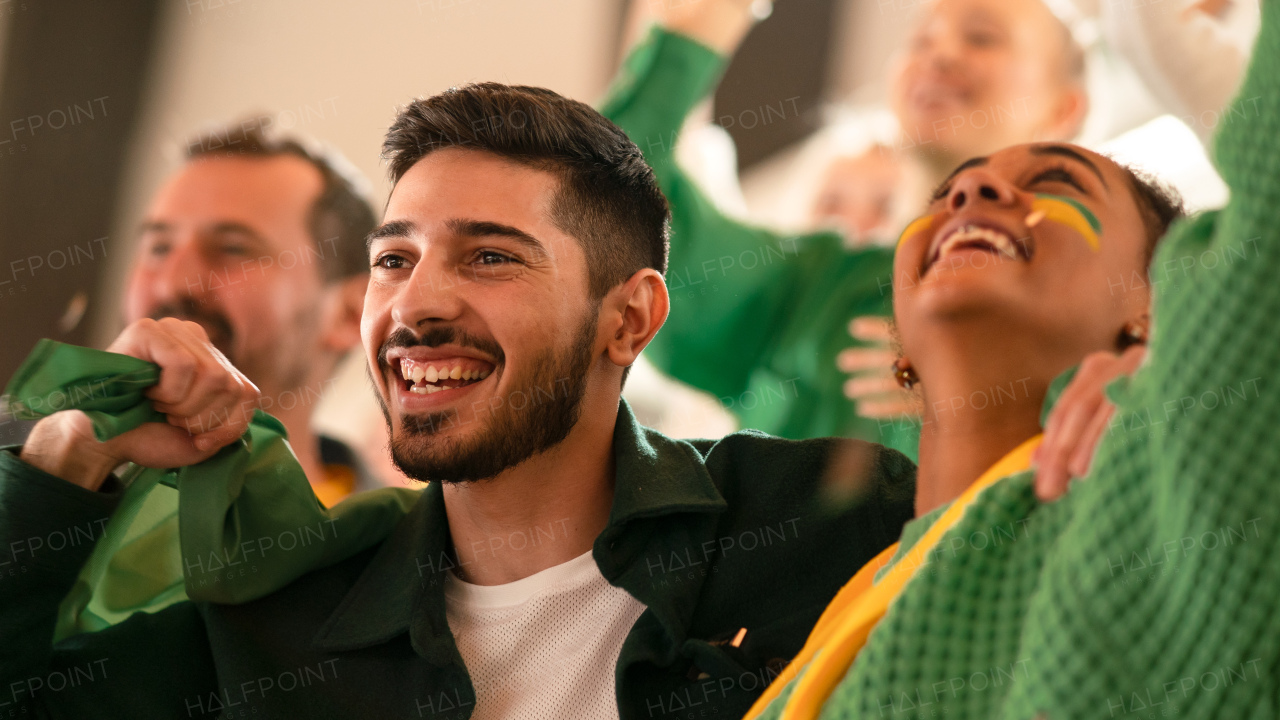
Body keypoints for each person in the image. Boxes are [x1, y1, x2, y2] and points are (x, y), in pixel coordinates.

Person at [0, 83, 916, 719]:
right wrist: (66, 456)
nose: (415, 304)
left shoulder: (814, 525)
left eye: (490, 256)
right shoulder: (278, 624)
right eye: (392, 260)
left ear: (629, 318)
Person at [744, 0, 1280, 715]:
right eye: (946, 194)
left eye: (1058, 185)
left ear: (1154, 308)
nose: (972, 189)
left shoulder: (1155, 494)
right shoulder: (830, 601)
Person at [600, 0, 1088, 459]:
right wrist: (713, 16)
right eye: (919, 41)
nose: (938, 55)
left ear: (1064, 109)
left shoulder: (1098, 313)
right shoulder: (810, 284)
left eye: (982, 38)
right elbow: (609, 202)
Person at [126, 120, 379, 504]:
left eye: (232, 248)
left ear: (349, 315)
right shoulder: (33, 464)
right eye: (159, 248)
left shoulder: (402, 550)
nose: (173, 284)